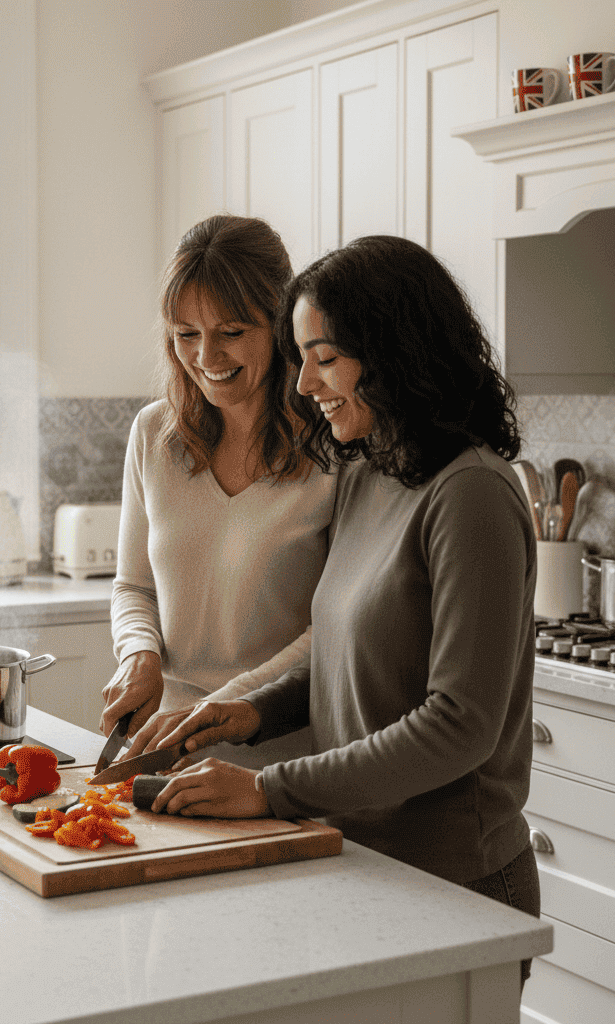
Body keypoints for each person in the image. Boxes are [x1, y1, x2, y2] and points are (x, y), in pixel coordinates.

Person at [146, 235, 540, 989]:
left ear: (397, 350)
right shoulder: (366, 472)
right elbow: (347, 651)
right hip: (359, 862)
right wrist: (253, 714)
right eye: (301, 359)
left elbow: (459, 725)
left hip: (457, 884)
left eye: (325, 358)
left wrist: (268, 788)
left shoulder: (473, 494)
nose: (304, 386)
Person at [102, 215, 335, 767]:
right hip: (167, 746)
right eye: (186, 334)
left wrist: (220, 709)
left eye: (231, 333)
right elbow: (134, 586)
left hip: (286, 751)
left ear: (282, 326)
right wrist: (139, 655)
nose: (207, 358)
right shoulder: (154, 435)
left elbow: (336, 626)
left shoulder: (334, 446)